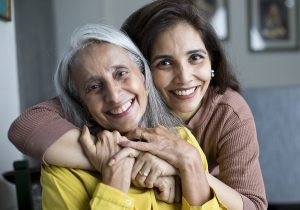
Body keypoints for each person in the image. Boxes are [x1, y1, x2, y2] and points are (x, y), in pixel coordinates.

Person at [8, 0, 267, 209]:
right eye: (164, 62)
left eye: (196, 58)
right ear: (145, 70)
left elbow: (253, 205)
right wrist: (126, 162)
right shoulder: (106, 102)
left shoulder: (206, 128)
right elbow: (27, 126)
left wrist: (189, 169)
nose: (185, 77)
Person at [34, 23, 225, 209]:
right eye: (94, 86)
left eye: (121, 74)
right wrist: (114, 184)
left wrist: (190, 163)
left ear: (144, 79)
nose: (114, 95)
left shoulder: (183, 142)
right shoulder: (62, 172)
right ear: (84, 105)